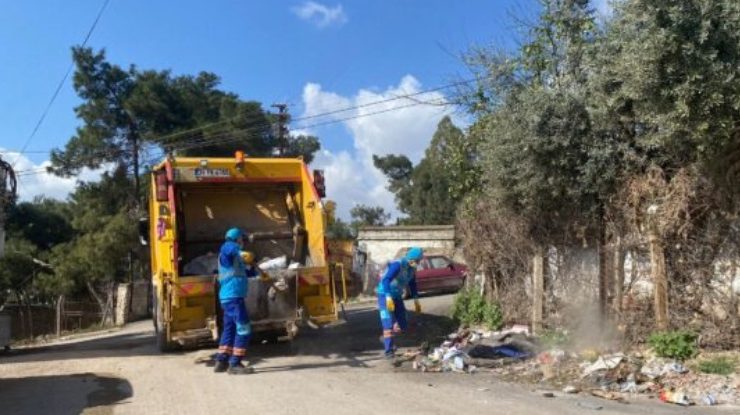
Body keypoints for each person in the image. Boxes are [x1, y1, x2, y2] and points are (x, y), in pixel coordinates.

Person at [214, 227, 260, 374]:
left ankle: (221, 361)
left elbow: (243, 273)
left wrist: (256, 271)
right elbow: (229, 247)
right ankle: (235, 364)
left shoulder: (236, 261)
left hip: (230, 298)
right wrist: (242, 253)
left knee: (230, 329)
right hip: (232, 298)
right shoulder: (228, 247)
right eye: (242, 239)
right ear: (237, 239)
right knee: (244, 328)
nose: (243, 242)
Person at [377, 247, 424, 359]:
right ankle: (389, 351)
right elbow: (386, 280)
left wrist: (416, 299)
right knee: (387, 323)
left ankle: (388, 337)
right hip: (385, 294)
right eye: (418, 260)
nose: (418, 263)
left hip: (397, 296)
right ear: (411, 259)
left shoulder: (412, 269)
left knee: (402, 324)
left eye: (419, 261)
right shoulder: (397, 265)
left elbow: (412, 284)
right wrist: (388, 297)